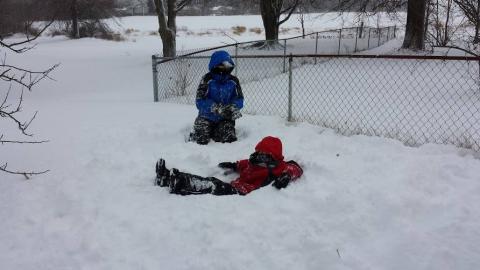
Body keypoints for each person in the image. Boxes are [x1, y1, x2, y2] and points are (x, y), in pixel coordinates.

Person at [155, 136, 303, 195]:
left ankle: (180, 181)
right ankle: (166, 178)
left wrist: (286, 176)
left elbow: (295, 168)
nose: (260, 156)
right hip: (237, 184)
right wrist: (234, 165)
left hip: (242, 191)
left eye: (264, 154)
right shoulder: (255, 162)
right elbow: (246, 163)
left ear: (274, 157)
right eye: (258, 152)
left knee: (211, 185)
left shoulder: (279, 167)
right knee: (210, 181)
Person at [190, 50, 244, 145]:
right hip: (206, 116)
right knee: (200, 140)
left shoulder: (234, 81)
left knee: (229, 139)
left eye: (227, 65)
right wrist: (214, 107)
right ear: (215, 65)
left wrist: (233, 106)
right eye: (222, 65)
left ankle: (217, 132)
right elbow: (199, 101)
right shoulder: (206, 80)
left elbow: (239, 99)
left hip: (225, 118)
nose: (225, 68)